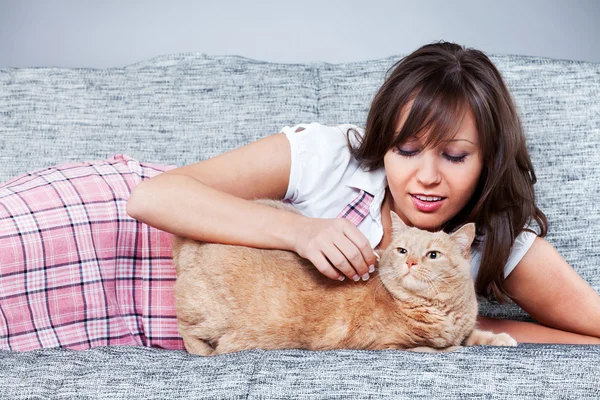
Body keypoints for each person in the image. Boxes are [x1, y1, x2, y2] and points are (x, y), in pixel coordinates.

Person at [1, 42, 599, 352]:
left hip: (144, 315)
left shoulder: (496, 239)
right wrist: (300, 232)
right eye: (406, 150)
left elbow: (583, 333)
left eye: (455, 155)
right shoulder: (332, 156)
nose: (425, 177)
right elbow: (153, 197)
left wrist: (463, 327)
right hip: (93, 228)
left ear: (489, 159)